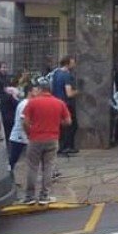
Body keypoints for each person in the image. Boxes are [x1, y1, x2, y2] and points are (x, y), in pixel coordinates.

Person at [20, 77, 71, 205]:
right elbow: (68, 122)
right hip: (52, 138)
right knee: (48, 167)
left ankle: (30, 196)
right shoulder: (59, 103)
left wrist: (29, 133)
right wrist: (57, 122)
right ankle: (44, 196)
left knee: (32, 167)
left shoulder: (32, 103)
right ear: (51, 89)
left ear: (40, 89)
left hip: (35, 138)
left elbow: (25, 122)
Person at [51, 56, 78, 154]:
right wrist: (77, 92)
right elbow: (69, 93)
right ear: (68, 64)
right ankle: (67, 146)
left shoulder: (56, 73)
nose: (74, 65)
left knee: (61, 126)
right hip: (66, 103)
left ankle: (61, 146)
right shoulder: (66, 75)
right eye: (73, 63)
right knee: (72, 125)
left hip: (57, 102)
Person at [9, 83, 37, 172]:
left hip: (25, 135)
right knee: (13, 159)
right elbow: (23, 121)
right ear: (30, 92)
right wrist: (29, 134)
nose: (38, 92)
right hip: (19, 136)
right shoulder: (25, 104)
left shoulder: (31, 103)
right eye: (36, 90)